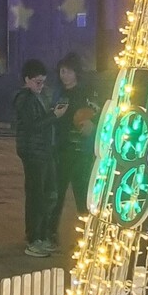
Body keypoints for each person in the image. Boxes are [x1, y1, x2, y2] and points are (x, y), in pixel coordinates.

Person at [13, 58, 65, 256]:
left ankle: (41, 236)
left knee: (47, 193)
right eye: (37, 82)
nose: (41, 86)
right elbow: (33, 124)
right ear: (27, 79)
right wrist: (54, 116)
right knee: (37, 195)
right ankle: (34, 239)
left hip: (43, 151)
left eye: (43, 81)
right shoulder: (24, 98)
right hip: (33, 152)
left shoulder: (38, 96)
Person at [48, 52, 101, 243]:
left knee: (83, 194)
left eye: (69, 71)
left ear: (77, 73)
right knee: (56, 194)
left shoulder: (86, 94)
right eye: (62, 71)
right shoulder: (58, 93)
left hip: (81, 152)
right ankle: (50, 233)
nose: (65, 75)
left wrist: (92, 125)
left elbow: (96, 115)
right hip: (61, 150)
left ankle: (88, 235)